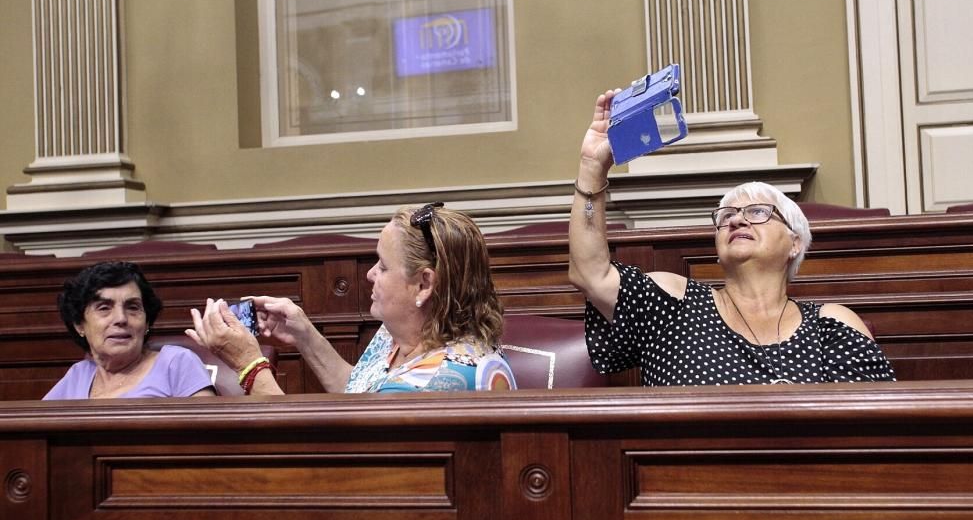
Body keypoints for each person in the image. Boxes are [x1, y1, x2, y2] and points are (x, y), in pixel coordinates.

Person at [568, 91, 896, 386]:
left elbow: (874, 423)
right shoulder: (675, 305)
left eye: (758, 212)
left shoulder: (830, 325)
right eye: (726, 217)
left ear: (795, 243)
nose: (737, 218)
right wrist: (592, 167)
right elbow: (591, 274)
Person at [187, 203, 516, 394]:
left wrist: (248, 364)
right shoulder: (402, 333)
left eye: (383, 266)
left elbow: (322, 458)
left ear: (424, 284)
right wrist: (305, 334)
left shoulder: (434, 381)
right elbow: (359, 393)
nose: (370, 274)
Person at [44, 261, 216, 399]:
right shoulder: (78, 375)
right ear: (79, 325)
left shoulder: (176, 363)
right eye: (104, 308)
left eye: (133, 307)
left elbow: (211, 434)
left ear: (147, 322)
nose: (121, 319)